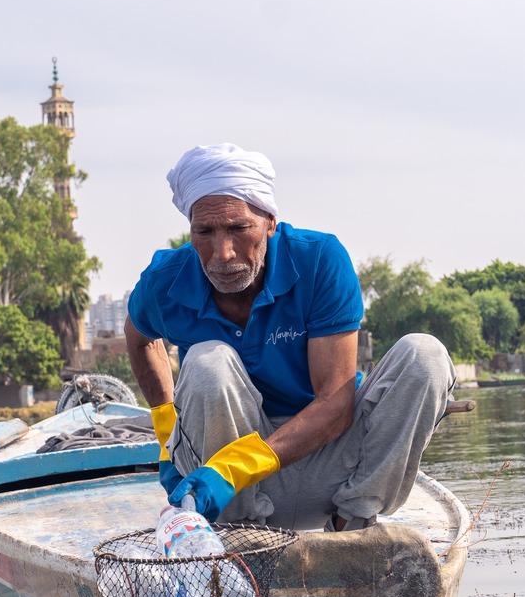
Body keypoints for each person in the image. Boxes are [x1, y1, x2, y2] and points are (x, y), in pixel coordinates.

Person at [125, 143, 454, 530]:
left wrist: (237, 465)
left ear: (270, 222)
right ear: (190, 231)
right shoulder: (166, 280)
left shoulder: (318, 260)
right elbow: (140, 338)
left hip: (332, 464)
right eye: (205, 232)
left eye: (238, 229)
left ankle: (352, 520)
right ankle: (243, 533)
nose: (223, 253)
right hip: (230, 490)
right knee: (206, 360)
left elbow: (336, 404)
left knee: (425, 355)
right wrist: (168, 432)